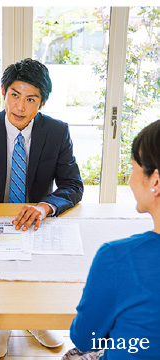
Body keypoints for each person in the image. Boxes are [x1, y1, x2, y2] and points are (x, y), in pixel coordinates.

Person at [0, 58, 83, 358]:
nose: (20, 106)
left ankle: (32, 317)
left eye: (30, 98)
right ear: (3, 92)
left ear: (42, 103)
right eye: (14, 95)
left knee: (36, 270)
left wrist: (46, 206)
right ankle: (2, 324)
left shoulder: (57, 132)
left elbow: (73, 186)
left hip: (36, 221)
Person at [62, 120, 160, 360]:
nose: (130, 179)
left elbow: (84, 338)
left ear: (155, 181)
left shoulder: (118, 258)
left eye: (134, 167)